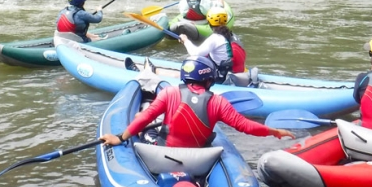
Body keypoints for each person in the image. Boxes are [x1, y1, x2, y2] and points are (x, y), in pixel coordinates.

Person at [100, 56, 294, 148]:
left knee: (139, 119)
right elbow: (246, 127)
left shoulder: (169, 93)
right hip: (199, 156)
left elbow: (145, 117)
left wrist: (121, 138)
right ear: (209, 79)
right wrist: (274, 132)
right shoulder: (219, 103)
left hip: (163, 152)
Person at [179, 7, 246, 83]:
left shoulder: (215, 38)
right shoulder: (232, 35)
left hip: (222, 77)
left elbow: (195, 53)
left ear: (209, 22)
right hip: (233, 72)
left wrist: (185, 40)